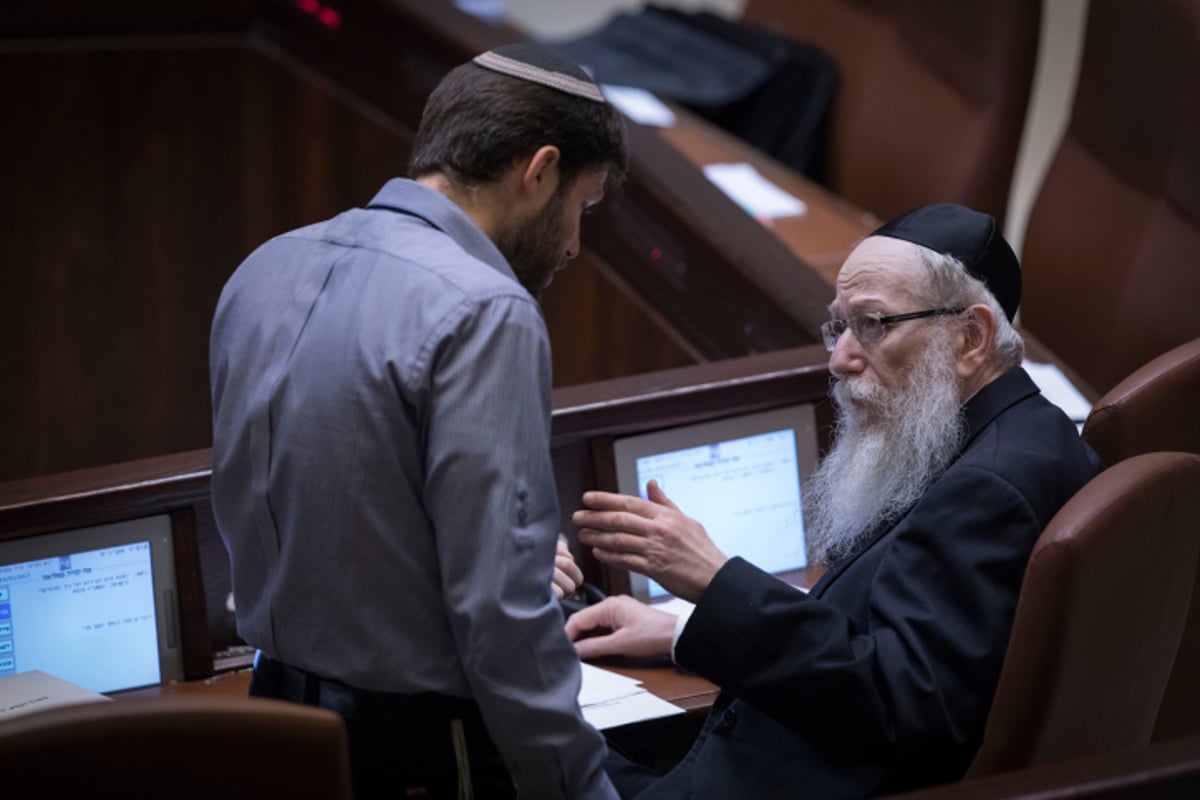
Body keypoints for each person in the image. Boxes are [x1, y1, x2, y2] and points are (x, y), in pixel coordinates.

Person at [565, 203, 1102, 798]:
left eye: (873, 324)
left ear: (971, 337)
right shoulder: (1015, 434)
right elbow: (884, 630)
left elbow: (904, 703)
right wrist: (685, 633)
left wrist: (715, 582)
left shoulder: (989, 489)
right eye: (839, 326)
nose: (839, 358)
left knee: (522, 743)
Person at [209, 43, 627, 800]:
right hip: (421, 751)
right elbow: (499, 611)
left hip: (269, 722)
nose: (572, 243)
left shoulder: (263, 266)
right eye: (581, 207)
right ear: (539, 170)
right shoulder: (486, 309)